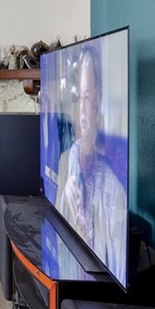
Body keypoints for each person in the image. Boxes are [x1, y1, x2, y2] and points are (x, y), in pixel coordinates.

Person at [55, 46, 127, 281]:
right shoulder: (66, 162)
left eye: (89, 98)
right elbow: (60, 240)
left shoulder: (115, 190)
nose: (82, 111)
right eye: (78, 98)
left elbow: (114, 267)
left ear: (99, 107)